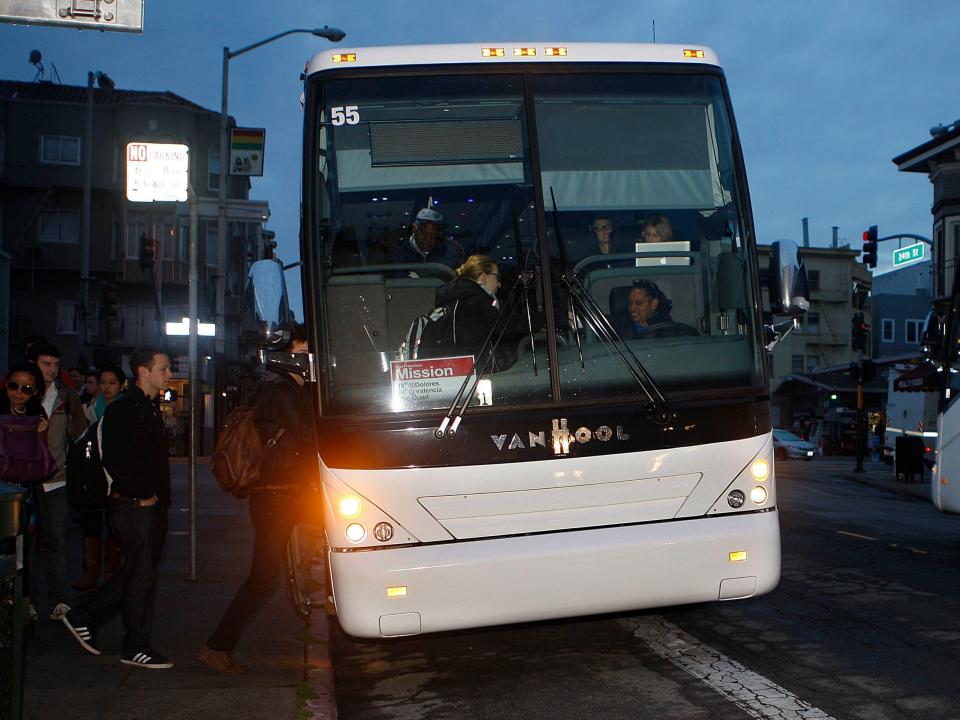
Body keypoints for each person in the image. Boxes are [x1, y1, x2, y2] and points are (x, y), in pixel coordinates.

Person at [198, 324, 318, 675]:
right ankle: (217, 645)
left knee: (338, 538)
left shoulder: (288, 387)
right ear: (288, 352)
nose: (310, 357)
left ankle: (316, 600)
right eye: (305, 348)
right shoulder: (281, 390)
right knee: (263, 576)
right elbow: (309, 434)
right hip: (277, 495)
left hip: (290, 491)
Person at [62, 346, 174, 669]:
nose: (169, 374)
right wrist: (141, 495)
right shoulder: (125, 410)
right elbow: (116, 460)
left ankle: (85, 615)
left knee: (136, 573)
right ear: (143, 371)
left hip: (151, 506)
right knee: (140, 578)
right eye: (163, 368)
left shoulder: (149, 407)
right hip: (135, 507)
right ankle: (135, 645)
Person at [27, 342, 87, 620]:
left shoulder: (67, 396)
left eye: (55, 364)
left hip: (58, 477)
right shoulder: (22, 393)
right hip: (24, 479)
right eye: (45, 364)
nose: (52, 370)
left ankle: (58, 599)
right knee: (25, 541)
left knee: (57, 540)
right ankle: (27, 598)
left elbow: (79, 434)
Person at [1, 362, 49, 622]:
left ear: (35, 392)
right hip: (3, 490)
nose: (18, 392)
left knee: (23, 548)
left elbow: (41, 457)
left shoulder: (35, 415)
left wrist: (41, 433)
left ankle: (22, 600)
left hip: (25, 491)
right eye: (13, 386)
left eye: (26, 388)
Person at [73, 365, 126, 592]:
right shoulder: (89, 408)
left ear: (122, 385)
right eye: (102, 382)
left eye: (111, 383)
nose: (106, 387)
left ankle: (111, 572)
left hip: (116, 476)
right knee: (92, 525)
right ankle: (90, 574)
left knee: (114, 527)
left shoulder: (125, 410)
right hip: (92, 474)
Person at [388, 208, 461, 268]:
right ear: (414, 229)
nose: (428, 239)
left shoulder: (450, 251)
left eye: (433, 235)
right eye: (424, 234)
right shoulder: (398, 254)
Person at [612, 280, 676, 339]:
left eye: (638, 303)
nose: (632, 308)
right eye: (630, 303)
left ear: (653, 304)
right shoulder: (617, 326)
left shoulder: (667, 326)